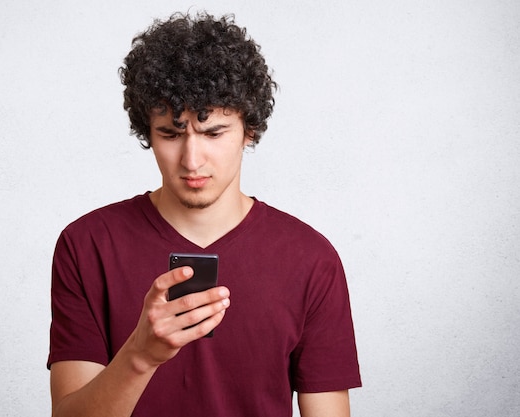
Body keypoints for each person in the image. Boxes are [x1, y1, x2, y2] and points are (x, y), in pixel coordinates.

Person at [47, 12, 361, 417]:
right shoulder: (87, 245)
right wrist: (140, 356)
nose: (192, 160)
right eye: (171, 134)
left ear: (249, 129)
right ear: (148, 132)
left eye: (213, 133)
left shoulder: (311, 260)